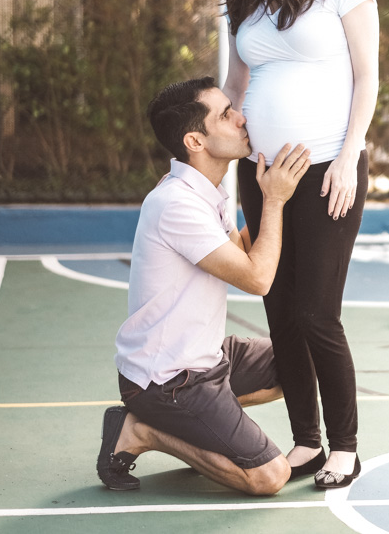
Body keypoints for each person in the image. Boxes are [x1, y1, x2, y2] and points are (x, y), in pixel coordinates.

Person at [217, 0, 379, 489]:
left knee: (316, 312)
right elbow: (237, 87)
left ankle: (345, 446)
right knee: (279, 310)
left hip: (327, 169)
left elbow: (367, 77)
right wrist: (216, 172)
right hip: (261, 175)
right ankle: (306, 441)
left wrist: (347, 158)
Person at [95, 76, 311, 495]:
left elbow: (241, 250)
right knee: (269, 477)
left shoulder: (202, 192)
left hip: (207, 358)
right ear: (195, 140)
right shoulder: (177, 204)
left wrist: (277, 192)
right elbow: (257, 277)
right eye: (226, 115)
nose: (240, 118)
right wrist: (277, 201)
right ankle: (142, 431)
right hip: (168, 379)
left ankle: (202, 425)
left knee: (305, 359)